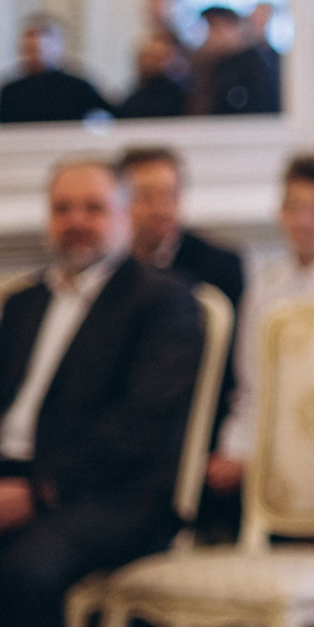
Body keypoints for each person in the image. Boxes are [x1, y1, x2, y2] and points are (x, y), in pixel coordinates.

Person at [0, 158, 203, 627]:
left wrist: (41, 491)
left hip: (112, 497)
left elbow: (142, 428)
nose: (77, 222)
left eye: (93, 207)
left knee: (21, 578)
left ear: (123, 216)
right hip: (3, 479)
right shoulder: (20, 303)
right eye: (63, 209)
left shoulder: (163, 301)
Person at [204, 155, 314, 496]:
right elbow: (251, 385)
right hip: (267, 438)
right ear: (280, 213)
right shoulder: (264, 287)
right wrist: (239, 448)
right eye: (294, 208)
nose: (304, 221)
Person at [119, 147, 245, 451]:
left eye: (170, 195)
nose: (161, 209)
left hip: (190, 430)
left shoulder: (220, 265)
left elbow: (232, 370)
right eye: (146, 196)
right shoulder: (108, 267)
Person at [0, 15, 112, 125]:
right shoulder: (10, 91)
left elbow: (112, 115)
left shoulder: (78, 87)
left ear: (57, 47)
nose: (34, 56)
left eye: (40, 49)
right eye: (29, 50)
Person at [193, 6, 284, 117]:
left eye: (214, 28)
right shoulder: (210, 65)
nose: (209, 36)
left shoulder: (253, 66)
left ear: (232, 28)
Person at [117, 31, 191, 119]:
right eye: (148, 57)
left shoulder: (183, 97)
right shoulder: (136, 99)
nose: (149, 63)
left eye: (158, 58)